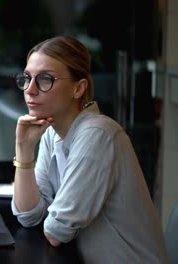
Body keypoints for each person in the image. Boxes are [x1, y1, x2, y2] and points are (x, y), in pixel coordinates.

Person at [11, 36, 168, 262]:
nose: (30, 90)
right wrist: (24, 149)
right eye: (27, 78)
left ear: (79, 88)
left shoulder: (98, 134)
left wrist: (54, 212)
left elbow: (56, 232)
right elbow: (29, 215)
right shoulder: (51, 132)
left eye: (45, 79)